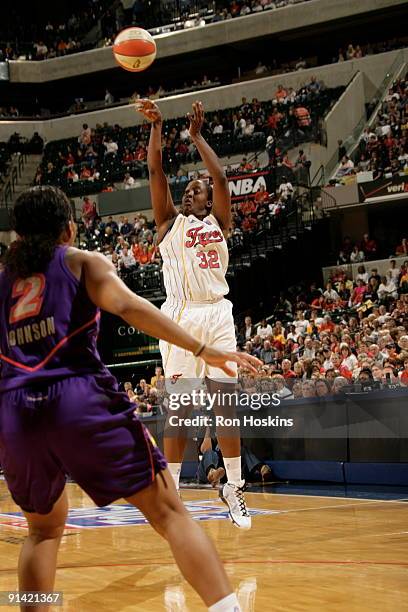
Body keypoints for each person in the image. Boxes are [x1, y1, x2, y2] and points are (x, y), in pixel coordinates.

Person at [0, 186, 261, 612]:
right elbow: (131, 306)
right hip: (76, 395)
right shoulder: (80, 261)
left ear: (17, 236)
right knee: (169, 512)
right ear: (68, 228)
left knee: (42, 533)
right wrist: (201, 348)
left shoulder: (3, 282)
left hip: (14, 409)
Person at [136, 98, 253, 529]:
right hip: (179, 317)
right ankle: (173, 494)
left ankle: (234, 488)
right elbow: (155, 172)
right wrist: (156, 128)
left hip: (216, 314)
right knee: (179, 410)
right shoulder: (168, 224)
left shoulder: (219, 224)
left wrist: (197, 137)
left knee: (226, 404)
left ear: (208, 200)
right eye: (188, 189)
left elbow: (221, 176)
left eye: (197, 190)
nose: (191, 191)